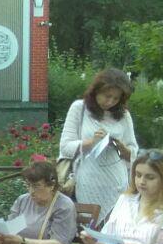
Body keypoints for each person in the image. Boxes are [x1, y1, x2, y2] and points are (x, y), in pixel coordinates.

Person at [59, 68, 138, 222]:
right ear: (96, 91)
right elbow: (65, 147)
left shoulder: (124, 115)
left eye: (116, 98)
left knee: (116, 227)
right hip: (88, 183)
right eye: (107, 96)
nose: (110, 102)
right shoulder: (79, 108)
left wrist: (120, 147)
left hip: (117, 183)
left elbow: (134, 153)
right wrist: (92, 142)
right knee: (89, 227)